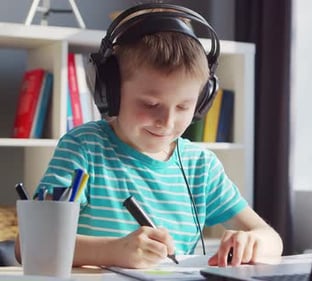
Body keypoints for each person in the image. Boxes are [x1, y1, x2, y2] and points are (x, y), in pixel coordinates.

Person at [14, 3, 283, 269]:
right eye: (150, 105)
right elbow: (29, 246)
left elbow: (273, 240)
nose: (167, 122)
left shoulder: (201, 167)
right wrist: (114, 251)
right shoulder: (83, 149)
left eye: (183, 107)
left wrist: (253, 241)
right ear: (112, 92)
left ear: (202, 102)